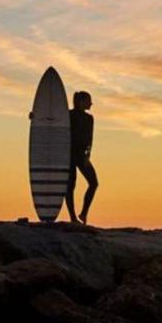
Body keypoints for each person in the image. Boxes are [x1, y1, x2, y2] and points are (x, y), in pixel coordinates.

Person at [66, 91, 99, 224]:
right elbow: (51, 119)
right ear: (80, 102)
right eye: (88, 100)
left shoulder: (89, 118)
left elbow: (90, 139)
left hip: (82, 155)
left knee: (94, 183)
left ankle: (83, 214)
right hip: (68, 155)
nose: (91, 103)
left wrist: (87, 155)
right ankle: (73, 217)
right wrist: (34, 116)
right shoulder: (67, 115)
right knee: (70, 185)